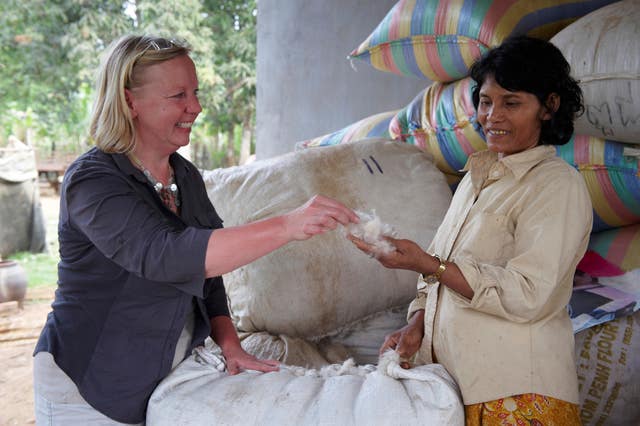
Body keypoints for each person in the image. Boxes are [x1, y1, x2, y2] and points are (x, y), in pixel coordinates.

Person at [33, 34, 358, 425]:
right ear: (128, 100)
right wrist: (288, 225)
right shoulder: (93, 182)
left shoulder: (184, 176)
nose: (196, 107)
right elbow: (168, 256)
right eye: (178, 96)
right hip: (90, 387)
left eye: (196, 92)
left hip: (162, 376)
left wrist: (230, 344)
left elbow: (208, 276)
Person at [349, 35, 592, 425]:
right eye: (485, 101)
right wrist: (417, 325)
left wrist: (427, 263)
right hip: (456, 390)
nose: (492, 116)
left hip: (519, 397)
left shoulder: (556, 185)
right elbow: (442, 278)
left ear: (549, 107)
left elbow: (531, 294)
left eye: (511, 103)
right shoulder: (473, 181)